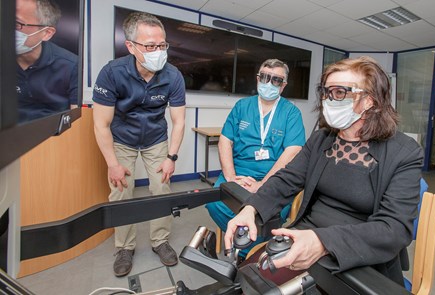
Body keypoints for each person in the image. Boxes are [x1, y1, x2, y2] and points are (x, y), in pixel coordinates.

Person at [224, 56, 424, 286]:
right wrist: (252, 207)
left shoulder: (405, 153)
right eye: (326, 91)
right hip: (304, 236)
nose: (329, 99)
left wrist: (322, 242)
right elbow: (287, 180)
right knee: (247, 282)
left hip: (359, 256)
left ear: (369, 101)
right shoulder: (321, 139)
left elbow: (394, 229)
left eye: (339, 92)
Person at [93, 12, 186, 277]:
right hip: (122, 138)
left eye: (162, 44)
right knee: (121, 190)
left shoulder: (173, 76)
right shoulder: (112, 73)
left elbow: (178, 122)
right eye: (150, 46)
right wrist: (112, 164)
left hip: (156, 139)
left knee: (161, 187)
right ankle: (124, 247)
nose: (158, 51)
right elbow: (100, 124)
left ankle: (160, 241)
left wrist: (171, 157)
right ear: (131, 46)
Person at [206, 59, 305, 257]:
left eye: (276, 80)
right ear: (258, 79)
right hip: (240, 173)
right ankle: (246, 245)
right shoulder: (242, 106)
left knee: (272, 214)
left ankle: (242, 254)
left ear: (283, 85)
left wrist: (264, 184)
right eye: (265, 77)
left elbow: (292, 151)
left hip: (276, 177)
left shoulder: (291, 112)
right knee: (214, 202)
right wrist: (232, 178)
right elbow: (225, 141)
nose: (269, 83)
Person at [16, 0, 78, 123]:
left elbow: (76, 120)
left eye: (17, 24)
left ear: (46, 33)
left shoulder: (72, 66)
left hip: (53, 137)